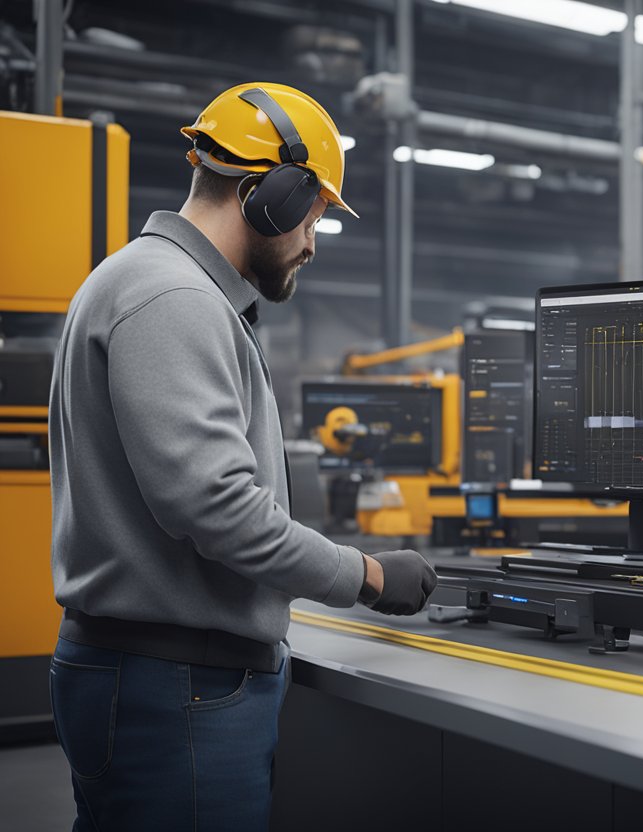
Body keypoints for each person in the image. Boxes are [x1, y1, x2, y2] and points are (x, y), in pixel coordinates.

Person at [47, 81, 435, 831]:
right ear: (273, 197)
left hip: (147, 675)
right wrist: (373, 576)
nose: (314, 242)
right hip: (177, 685)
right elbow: (216, 506)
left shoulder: (143, 282)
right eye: (315, 213)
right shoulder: (174, 298)